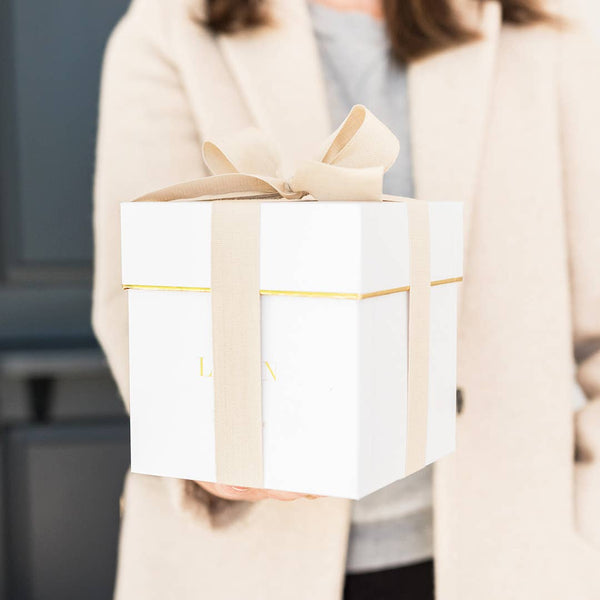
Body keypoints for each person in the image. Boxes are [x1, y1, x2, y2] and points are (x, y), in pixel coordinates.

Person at [93, 0, 600, 598]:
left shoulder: (552, 26)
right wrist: (206, 455)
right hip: (247, 563)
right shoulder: (170, 28)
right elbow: (140, 299)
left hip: (511, 552)